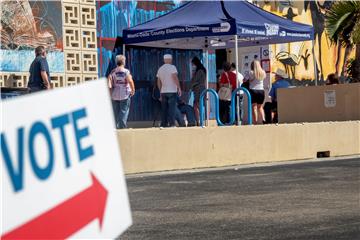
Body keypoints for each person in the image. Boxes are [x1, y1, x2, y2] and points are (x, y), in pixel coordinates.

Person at [108, 54, 135, 129]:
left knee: (115, 112)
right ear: (123, 62)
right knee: (124, 111)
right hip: (125, 94)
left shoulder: (112, 71)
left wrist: (110, 93)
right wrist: (133, 90)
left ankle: (114, 127)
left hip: (115, 94)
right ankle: (122, 127)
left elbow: (109, 83)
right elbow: (130, 81)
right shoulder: (126, 71)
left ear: (116, 62)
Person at [157, 54, 182, 127]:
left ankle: (163, 124)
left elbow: (158, 81)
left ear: (164, 60)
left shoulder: (160, 69)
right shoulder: (172, 67)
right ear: (170, 59)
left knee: (164, 109)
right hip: (172, 91)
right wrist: (179, 87)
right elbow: (175, 77)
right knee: (172, 108)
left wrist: (160, 91)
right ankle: (172, 124)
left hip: (163, 91)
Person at [248, 60, 266, 124]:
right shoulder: (263, 72)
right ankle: (263, 119)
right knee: (260, 107)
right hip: (261, 91)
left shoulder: (251, 72)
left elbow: (246, 79)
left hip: (253, 90)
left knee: (254, 107)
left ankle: (255, 121)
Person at [190, 56, 206, 125]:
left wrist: (190, 86)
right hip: (200, 89)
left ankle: (199, 121)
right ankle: (199, 121)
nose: (192, 66)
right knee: (197, 105)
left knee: (197, 105)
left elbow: (194, 81)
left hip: (198, 90)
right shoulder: (202, 69)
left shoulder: (199, 71)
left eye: (193, 64)